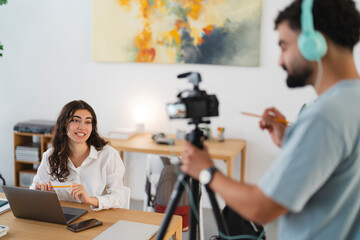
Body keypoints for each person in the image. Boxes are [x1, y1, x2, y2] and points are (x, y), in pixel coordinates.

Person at [180, 0, 360, 239]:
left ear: (314, 43)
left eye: (284, 46)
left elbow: (262, 208)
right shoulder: (351, 101)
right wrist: (291, 139)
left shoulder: (324, 116)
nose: (280, 60)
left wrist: (207, 171)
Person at [30, 100, 126, 211]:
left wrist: (90, 200)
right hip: (61, 216)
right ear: (64, 124)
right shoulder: (50, 156)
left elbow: (119, 198)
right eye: (76, 120)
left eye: (88, 122)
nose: (82, 127)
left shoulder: (109, 155)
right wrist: (40, 192)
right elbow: (33, 188)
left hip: (96, 218)